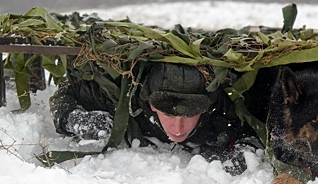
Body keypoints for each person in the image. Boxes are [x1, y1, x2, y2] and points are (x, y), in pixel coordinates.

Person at [49, 61, 260, 175]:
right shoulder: (125, 102)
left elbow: (256, 121)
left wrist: (246, 147)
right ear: (152, 105)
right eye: (169, 114)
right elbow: (66, 92)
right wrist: (74, 119)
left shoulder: (226, 108)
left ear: (204, 109)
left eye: (188, 115)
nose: (178, 127)